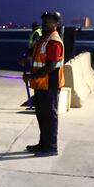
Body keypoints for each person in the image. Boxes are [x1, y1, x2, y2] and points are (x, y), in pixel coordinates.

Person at [22, 11, 65, 156]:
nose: (45, 23)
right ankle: (43, 143)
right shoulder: (43, 38)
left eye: (49, 21)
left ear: (56, 24)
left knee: (49, 116)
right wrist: (25, 57)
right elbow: (32, 51)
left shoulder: (54, 41)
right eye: (44, 21)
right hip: (41, 84)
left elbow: (50, 66)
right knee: (41, 115)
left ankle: (51, 147)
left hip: (50, 85)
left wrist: (31, 76)